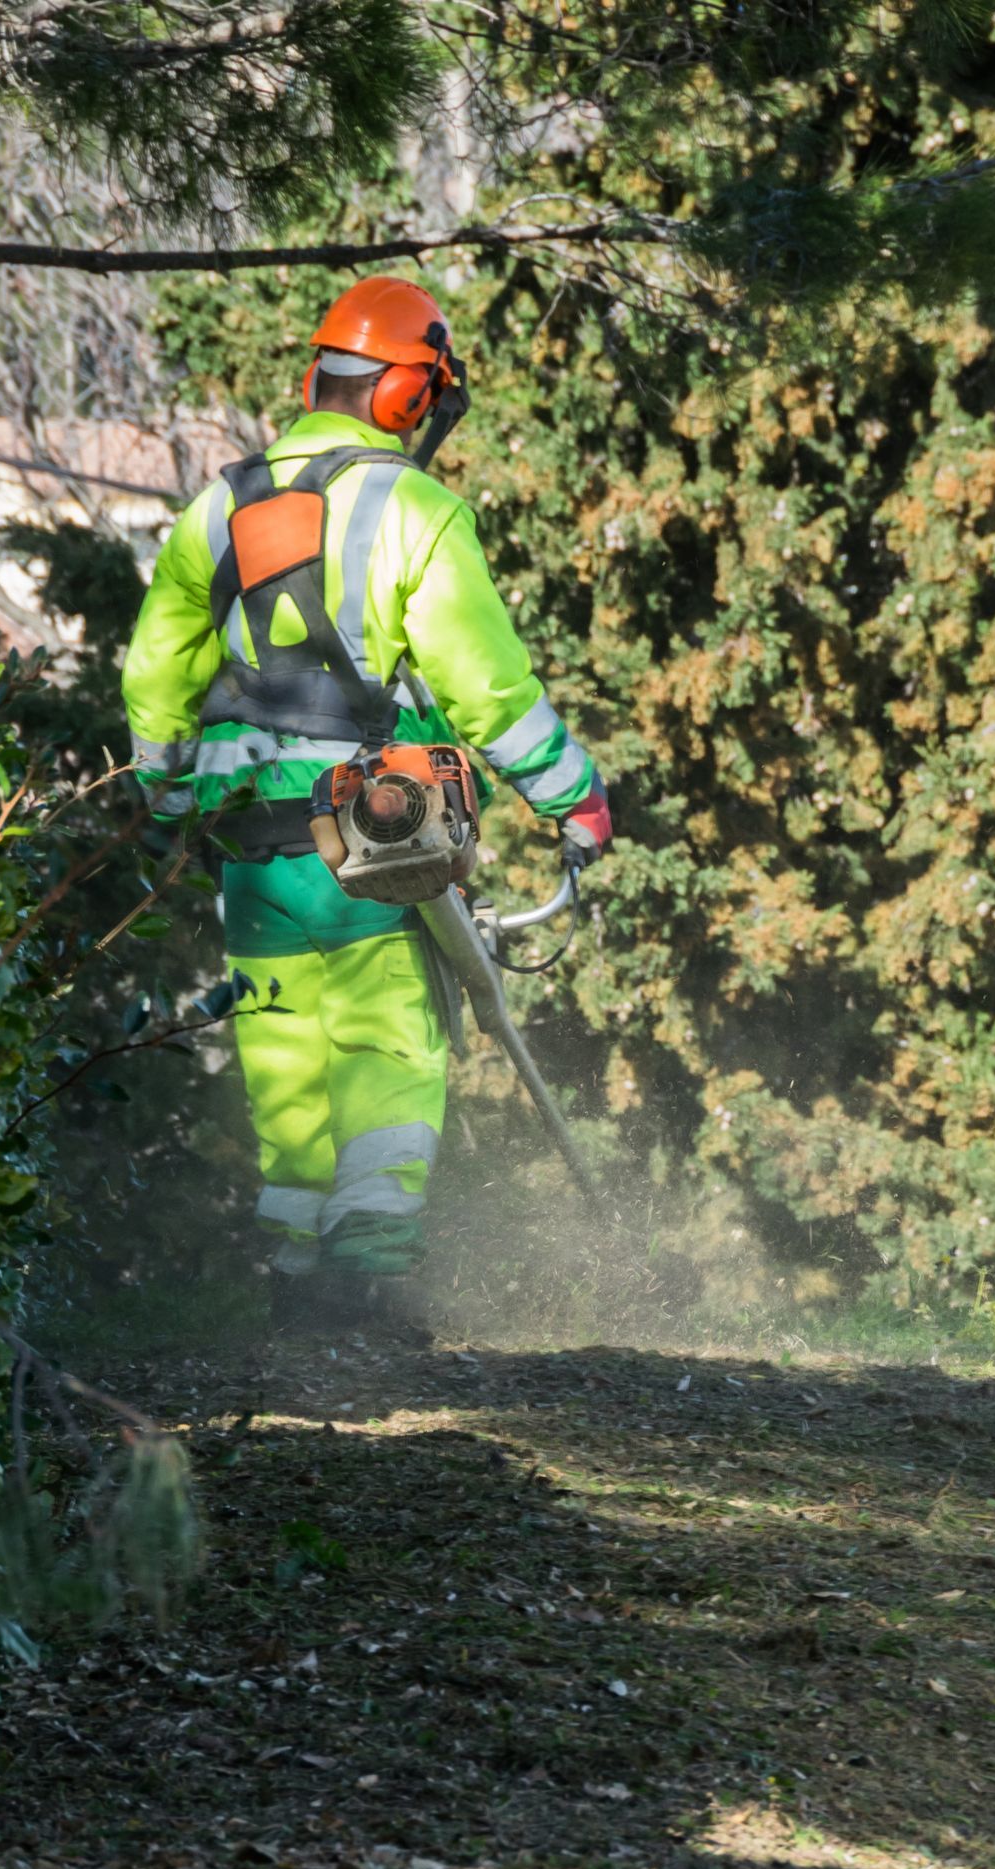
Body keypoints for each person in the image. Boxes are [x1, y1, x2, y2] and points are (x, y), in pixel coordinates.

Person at [120, 275, 610, 1321]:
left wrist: (164, 803)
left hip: (249, 854)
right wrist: (575, 799)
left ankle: (292, 1307)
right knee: (387, 1059)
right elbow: (487, 689)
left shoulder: (221, 505)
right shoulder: (415, 511)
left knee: (288, 1076)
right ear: (406, 397)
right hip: (369, 842)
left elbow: (155, 674)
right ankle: (368, 1293)